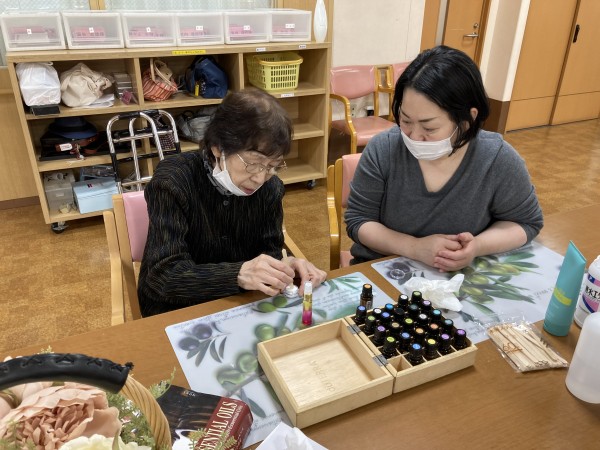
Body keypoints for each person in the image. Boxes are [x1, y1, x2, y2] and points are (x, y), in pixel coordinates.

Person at [345, 45, 543, 272]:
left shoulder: (497, 159)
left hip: (460, 277)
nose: (414, 136)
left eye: (429, 128)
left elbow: (525, 222)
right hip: (383, 271)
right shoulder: (384, 149)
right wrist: (414, 247)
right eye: (406, 121)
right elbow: (359, 220)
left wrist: (477, 246)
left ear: (467, 120)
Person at [138, 88, 326, 317]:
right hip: (176, 308)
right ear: (218, 148)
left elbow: (269, 252)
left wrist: (286, 265)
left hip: (240, 302)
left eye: (272, 166)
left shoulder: (271, 188)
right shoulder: (174, 180)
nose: (260, 178)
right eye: (253, 163)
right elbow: (163, 275)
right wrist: (237, 274)